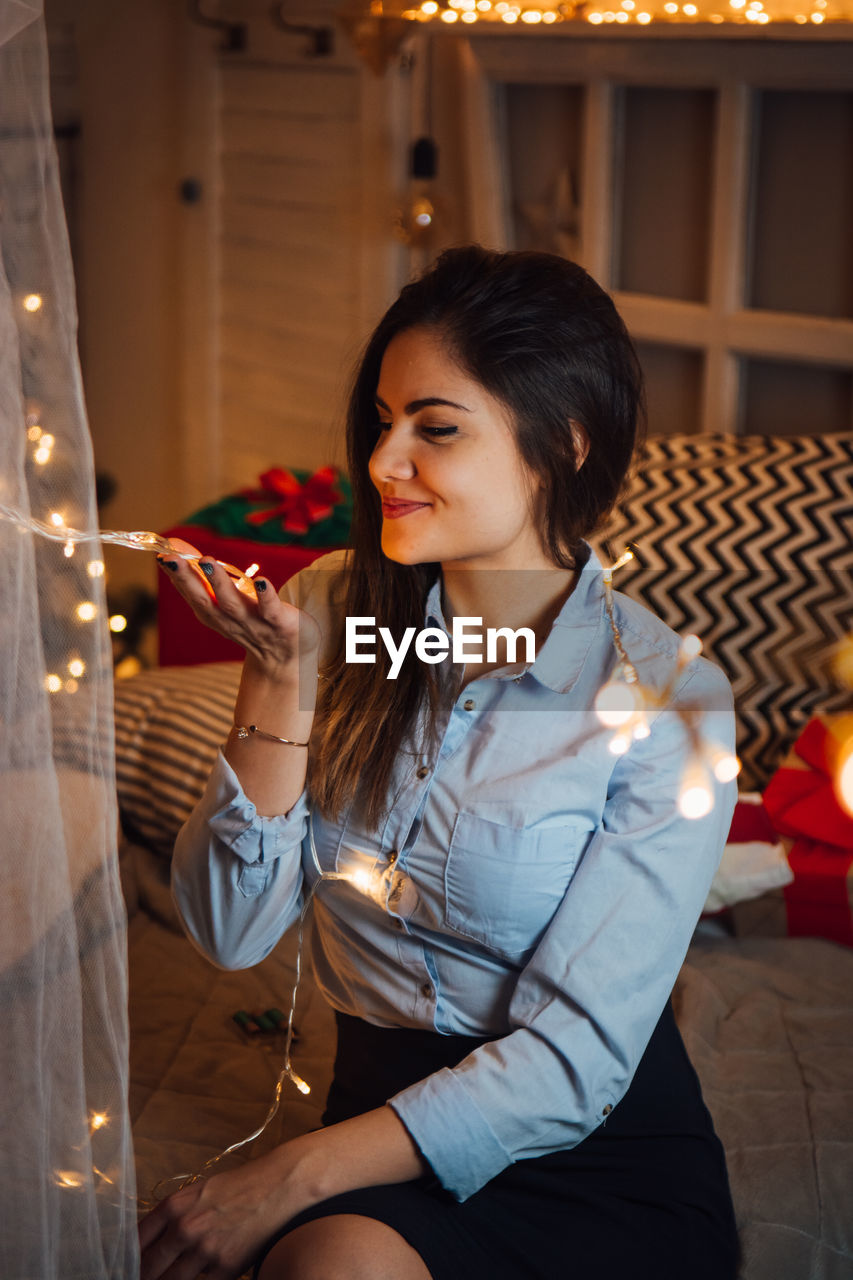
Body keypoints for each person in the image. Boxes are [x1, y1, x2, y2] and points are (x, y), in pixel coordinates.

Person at [140, 245, 739, 1280]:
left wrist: (287, 1174)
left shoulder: (666, 701)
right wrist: (276, 683)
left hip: (595, 1144)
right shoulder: (334, 608)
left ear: (563, 441)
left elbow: (577, 1060)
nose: (382, 462)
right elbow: (231, 932)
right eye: (382, 420)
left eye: (436, 428)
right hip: (378, 1119)